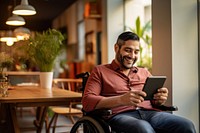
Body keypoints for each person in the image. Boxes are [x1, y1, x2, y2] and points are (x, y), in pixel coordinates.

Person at [82, 31, 196, 133]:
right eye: (128, 50)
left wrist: (159, 100)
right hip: (120, 115)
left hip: (151, 114)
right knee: (143, 128)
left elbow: (155, 102)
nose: (132, 56)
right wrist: (121, 99)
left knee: (186, 125)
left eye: (136, 52)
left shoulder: (144, 72)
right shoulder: (100, 71)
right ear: (116, 48)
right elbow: (87, 101)